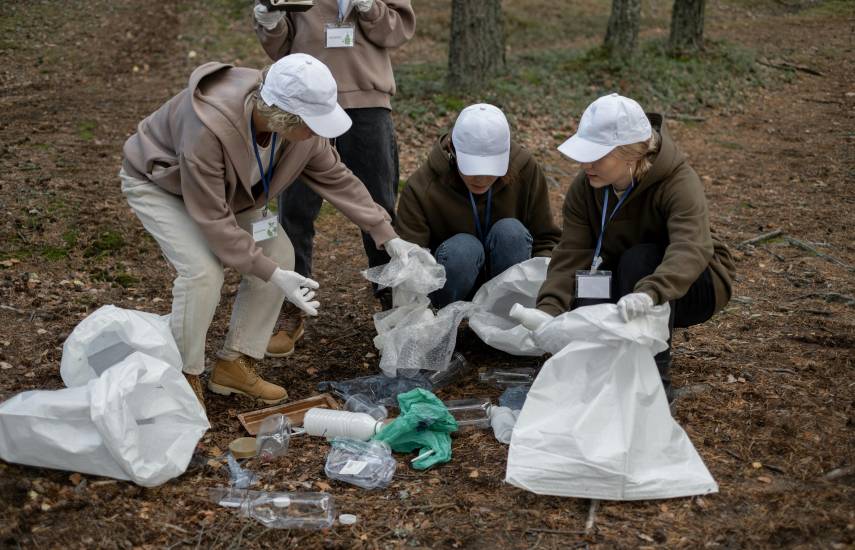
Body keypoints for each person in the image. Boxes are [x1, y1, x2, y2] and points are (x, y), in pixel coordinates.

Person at [120, 53, 419, 408]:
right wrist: (270, 274)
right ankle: (185, 375)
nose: (318, 131)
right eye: (312, 122)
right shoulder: (207, 128)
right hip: (161, 185)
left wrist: (386, 232)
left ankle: (235, 362)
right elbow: (214, 221)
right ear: (282, 116)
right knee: (202, 274)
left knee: (280, 253)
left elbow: (337, 178)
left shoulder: (300, 131)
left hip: (232, 192)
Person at [511, 93, 736, 400]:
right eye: (584, 153)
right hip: (626, 280)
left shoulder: (677, 181)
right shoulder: (586, 187)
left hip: (693, 284)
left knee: (639, 258)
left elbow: (691, 247)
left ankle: (653, 386)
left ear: (630, 154)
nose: (585, 163)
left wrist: (651, 292)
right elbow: (572, 254)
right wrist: (549, 310)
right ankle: (592, 376)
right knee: (592, 279)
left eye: (597, 156)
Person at [253, 0, 416, 356]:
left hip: (368, 104)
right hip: (300, 105)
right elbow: (279, 47)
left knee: (378, 206)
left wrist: (370, 7)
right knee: (294, 212)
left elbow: (398, 31)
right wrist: (269, 20)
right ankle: (291, 306)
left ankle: (394, 304)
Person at [396, 104, 561, 307]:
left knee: (511, 233)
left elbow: (546, 238)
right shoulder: (422, 185)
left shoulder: (525, 169)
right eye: (472, 168)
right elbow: (410, 258)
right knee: (464, 249)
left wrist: (543, 292)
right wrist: (416, 310)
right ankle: (446, 325)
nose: (481, 179)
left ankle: (504, 319)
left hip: (509, 290)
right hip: (449, 286)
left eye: (491, 168)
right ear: (452, 151)